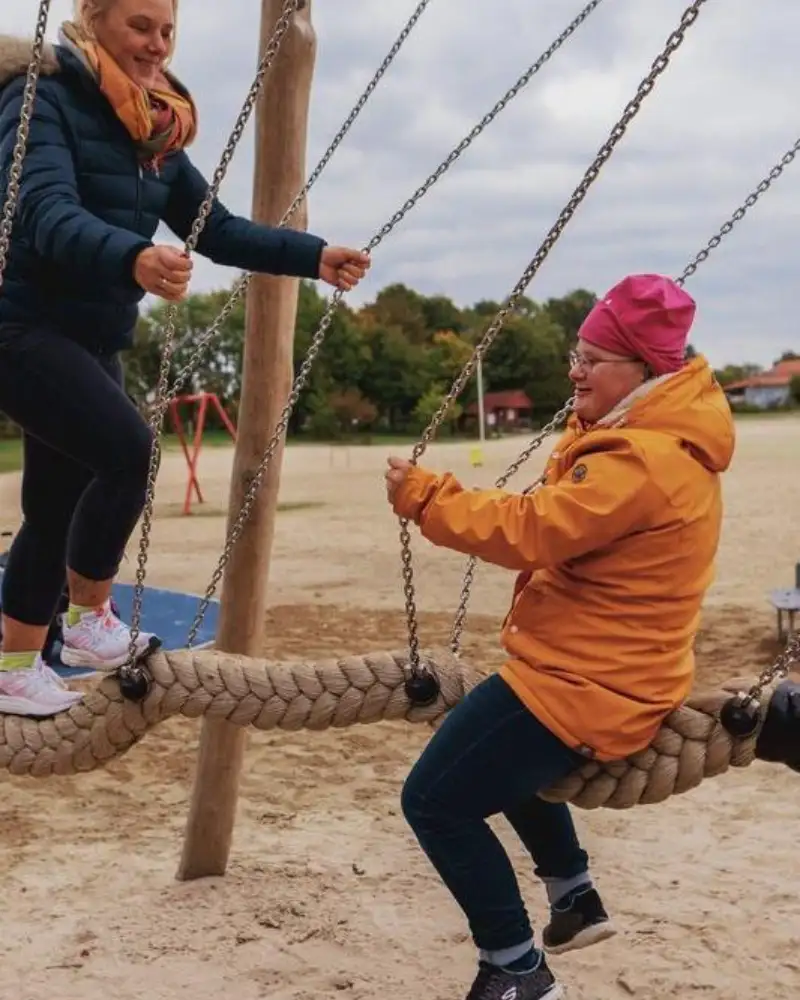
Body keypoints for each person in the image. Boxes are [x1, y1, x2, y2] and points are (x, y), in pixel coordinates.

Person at [0, 0, 371, 718]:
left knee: (54, 505)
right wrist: (134, 256)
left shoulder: (156, 131)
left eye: (167, 31)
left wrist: (314, 255)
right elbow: (43, 210)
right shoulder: (40, 95)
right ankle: (84, 623)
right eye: (140, 26)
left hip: (91, 336)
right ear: (93, 17)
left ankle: (15, 665)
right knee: (128, 451)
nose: (157, 44)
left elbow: (218, 230)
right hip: (20, 327)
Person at [385, 274, 735, 1000]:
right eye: (576, 353)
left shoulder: (641, 459)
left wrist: (428, 498)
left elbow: (533, 530)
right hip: (612, 671)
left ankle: (514, 968)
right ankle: (574, 895)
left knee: (434, 801)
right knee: (494, 748)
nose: (573, 370)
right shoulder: (653, 440)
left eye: (592, 357)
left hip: (586, 684)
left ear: (642, 370)